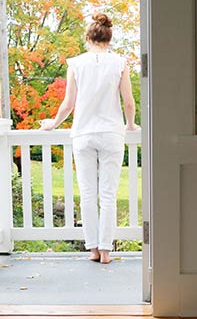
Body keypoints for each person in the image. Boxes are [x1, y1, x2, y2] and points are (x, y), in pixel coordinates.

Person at [40, 13, 139, 264]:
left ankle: (93, 249)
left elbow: (68, 104)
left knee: (87, 194)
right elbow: (128, 102)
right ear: (109, 39)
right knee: (108, 195)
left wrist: (53, 123)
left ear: (88, 38)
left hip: (83, 134)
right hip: (111, 133)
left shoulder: (76, 63)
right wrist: (130, 125)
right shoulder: (120, 63)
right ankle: (106, 251)